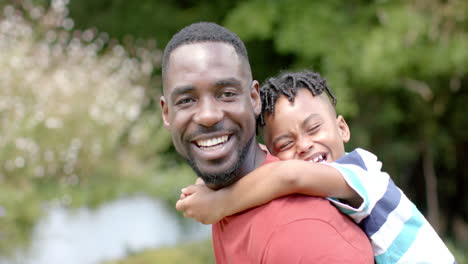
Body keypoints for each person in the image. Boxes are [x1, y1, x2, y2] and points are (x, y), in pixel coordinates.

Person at [176, 70, 457, 264]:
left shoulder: (360, 172)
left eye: (314, 128)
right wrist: (212, 181)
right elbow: (262, 167)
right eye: (285, 144)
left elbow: (288, 176)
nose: (304, 145)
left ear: (342, 128)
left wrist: (219, 204)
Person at [161, 22, 374, 263]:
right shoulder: (226, 192)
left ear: (254, 98)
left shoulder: (301, 235)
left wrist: (219, 202)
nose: (208, 115)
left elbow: (290, 176)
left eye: (227, 94)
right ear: (166, 113)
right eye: (187, 100)